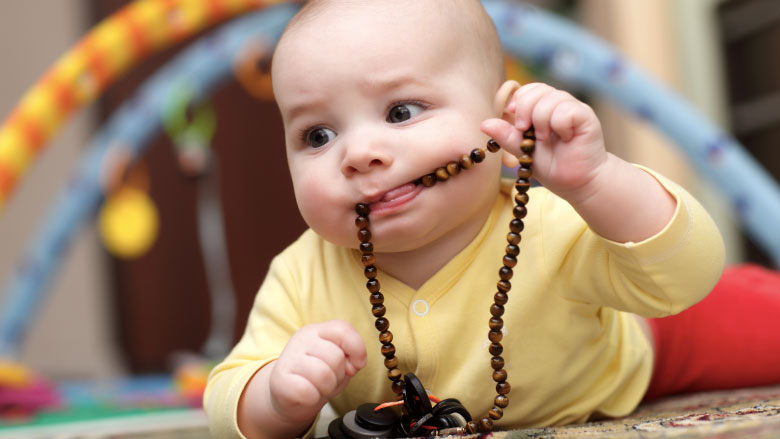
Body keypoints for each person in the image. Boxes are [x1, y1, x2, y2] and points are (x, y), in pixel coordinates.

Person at [204, 1, 733, 438]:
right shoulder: (301, 274)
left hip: (651, 337)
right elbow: (227, 392)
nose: (359, 153)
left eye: (401, 112)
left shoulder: (550, 223)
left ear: (503, 124)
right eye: (317, 135)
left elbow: (687, 275)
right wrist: (274, 396)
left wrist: (593, 183)